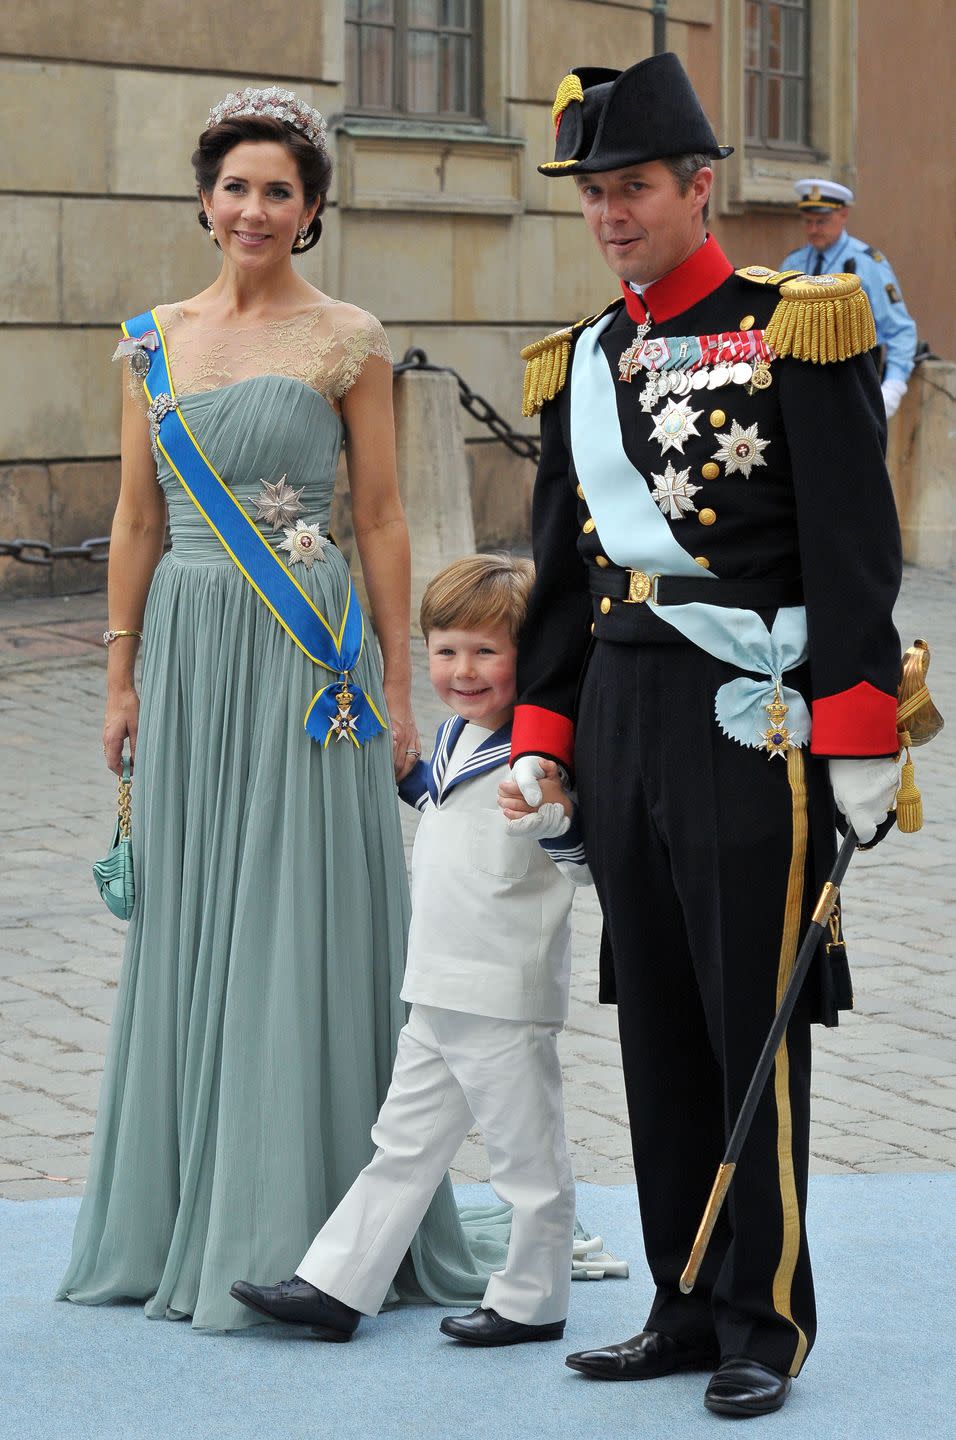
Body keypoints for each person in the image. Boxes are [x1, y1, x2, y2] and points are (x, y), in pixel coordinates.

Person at [57, 87, 513, 1331]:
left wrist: (395, 671)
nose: (253, 208)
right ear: (205, 199)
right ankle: (180, 1209)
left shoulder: (349, 338)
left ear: (310, 211)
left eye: (279, 190)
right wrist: (118, 672)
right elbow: (140, 519)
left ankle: (314, 1215)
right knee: (200, 908)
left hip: (305, 651)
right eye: (235, 186)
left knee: (296, 912)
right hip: (195, 653)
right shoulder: (148, 340)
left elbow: (376, 514)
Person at [504, 55, 903, 1417]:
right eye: (595, 194)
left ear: (698, 188)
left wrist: (858, 732)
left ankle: (761, 1318)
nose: (611, 214)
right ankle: (680, 1299)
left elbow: (855, 544)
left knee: (751, 1013)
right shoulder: (584, 357)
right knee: (657, 1019)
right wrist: (540, 734)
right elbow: (560, 574)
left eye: (634, 189)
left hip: (754, 712)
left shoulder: (800, 323)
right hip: (621, 707)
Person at [230, 553, 591, 1347]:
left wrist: (556, 819)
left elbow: (585, 859)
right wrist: (398, 771)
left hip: (501, 986)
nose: (463, 672)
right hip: (434, 980)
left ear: (532, 659)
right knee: (402, 1145)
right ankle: (336, 1284)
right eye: (446, 650)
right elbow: (442, 799)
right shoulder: (462, 735)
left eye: (487, 652)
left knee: (524, 1158)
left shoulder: (549, 757)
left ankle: (534, 1300)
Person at [781, 178, 917, 418]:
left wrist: (893, 387)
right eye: (808, 222)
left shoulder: (868, 264)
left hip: (855, 385)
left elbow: (900, 330)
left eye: (821, 222)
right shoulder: (794, 263)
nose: (813, 230)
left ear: (843, 214)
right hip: (803, 388)